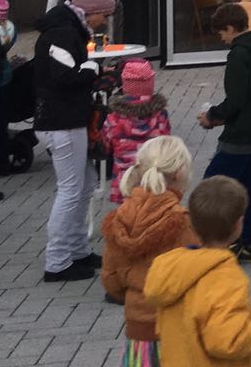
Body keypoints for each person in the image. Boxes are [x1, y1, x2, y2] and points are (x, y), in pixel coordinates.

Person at [143, 177, 251, 364]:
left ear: (190, 223)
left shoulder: (170, 268)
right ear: (239, 224)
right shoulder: (225, 277)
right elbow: (227, 339)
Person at [35, 0, 115, 282]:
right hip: (61, 120)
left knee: (86, 183)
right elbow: (64, 77)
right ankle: (57, 262)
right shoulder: (63, 33)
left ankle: (78, 250)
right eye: (104, 14)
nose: (104, 20)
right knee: (70, 189)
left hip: (66, 117)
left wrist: (94, 71)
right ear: (90, 10)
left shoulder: (66, 30)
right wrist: (95, 70)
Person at [196, 3, 251, 261]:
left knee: (213, 185)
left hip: (239, 134)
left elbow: (235, 100)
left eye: (222, 33)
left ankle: (214, 240)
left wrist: (212, 116)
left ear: (231, 28)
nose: (222, 39)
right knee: (250, 188)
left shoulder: (238, 55)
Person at [102, 135, 194, 367]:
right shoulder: (183, 223)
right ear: (179, 173)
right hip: (176, 329)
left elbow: (111, 280)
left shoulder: (119, 219)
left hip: (138, 330)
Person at [102, 60, 172, 205]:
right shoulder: (160, 115)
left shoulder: (113, 118)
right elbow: (166, 144)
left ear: (125, 85)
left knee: (127, 214)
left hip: (125, 178)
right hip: (152, 177)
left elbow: (105, 146)